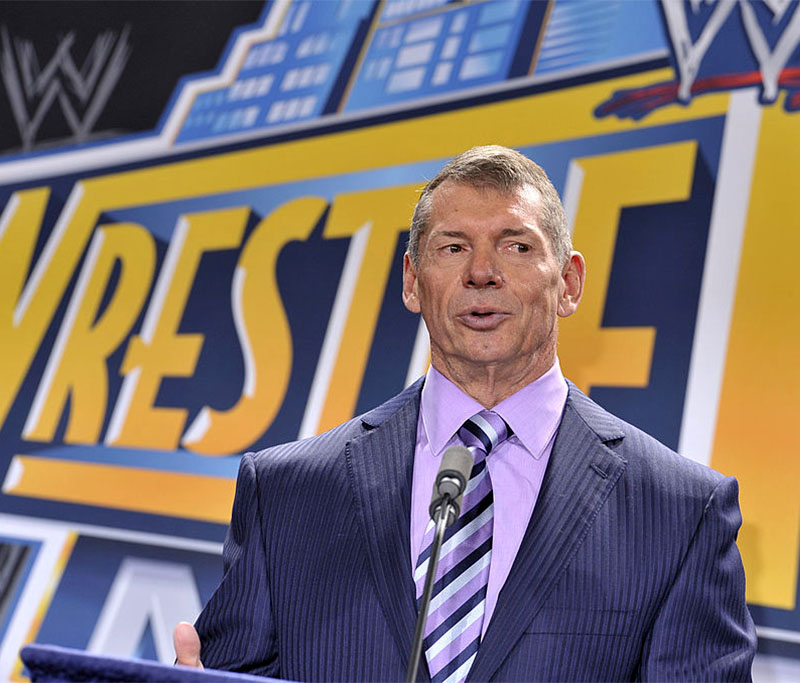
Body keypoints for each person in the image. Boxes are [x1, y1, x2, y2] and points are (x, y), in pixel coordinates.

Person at [174, 145, 756, 681]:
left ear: (569, 284)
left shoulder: (680, 514)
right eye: (453, 247)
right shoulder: (286, 494)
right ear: (412, 281)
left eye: (517, 246)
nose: (482, 272)